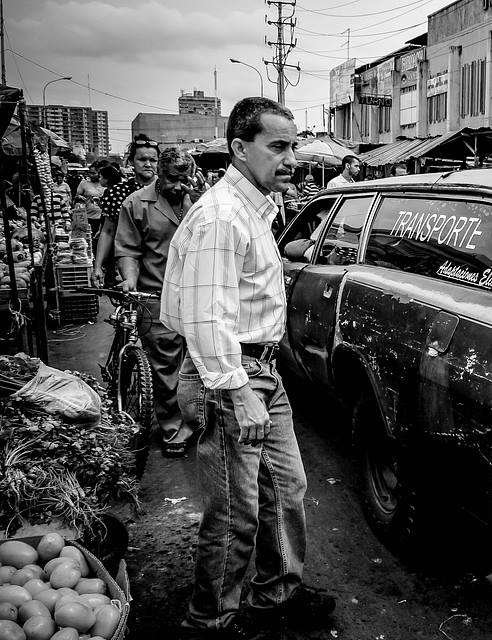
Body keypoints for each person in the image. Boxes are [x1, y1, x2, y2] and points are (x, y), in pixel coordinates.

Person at [161, 96, 335, 640]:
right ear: (240, 148)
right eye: (277, 147)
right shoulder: (220, 215)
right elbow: (207, 316)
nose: (291, 158)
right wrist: (238, 391)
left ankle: (275, 593)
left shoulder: (256, 207)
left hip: (260, 370)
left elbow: (240, 288)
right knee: (236, 511)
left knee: (286, 488)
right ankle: (213, 617)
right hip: (231, 374)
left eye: (293, 146)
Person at [115, 147, 196, 458]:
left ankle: (196, 416)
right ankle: (173, 426)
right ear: (159, 175)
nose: (178, 186)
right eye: (173, 179)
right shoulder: (136, 203)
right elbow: (128, 250)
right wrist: (129, 281)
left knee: (199, 360)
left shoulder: (196, 200)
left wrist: (189, 201)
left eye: (185, 179)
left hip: (196, 294)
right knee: (165, 365)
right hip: (156, 295)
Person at [93, 135, 159, 287]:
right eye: (142, 159)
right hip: (125, 264)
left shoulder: (168, 191)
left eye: (153, 160)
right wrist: (98, 266)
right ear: (131, 162)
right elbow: (107, 231)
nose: (148, 164)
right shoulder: (117, 192)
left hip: (160, 266)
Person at [76, 160, 109, 240]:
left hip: (101, 218)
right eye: (90, 173)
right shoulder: (84, 183)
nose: (91, 175)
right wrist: (79, 197)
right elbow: (77, 197)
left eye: (94, 173)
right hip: (87, 218)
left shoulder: (104, 183)